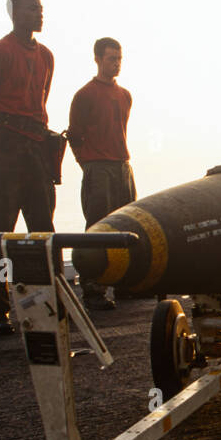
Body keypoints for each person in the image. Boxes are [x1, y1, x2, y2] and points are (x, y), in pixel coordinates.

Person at [0, 0, 56, 334]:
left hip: (37, 147)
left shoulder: (47, 56)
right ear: (14, 12)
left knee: (42, 230)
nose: (40, 13)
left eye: (41, 8)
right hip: (5, 146)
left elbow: (40, 101)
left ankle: (45, 302)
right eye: (32, 8)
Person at [68, 37, 134, 310]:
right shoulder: (85, 95)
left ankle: (126, 284)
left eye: (119, 58)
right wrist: (89, 165)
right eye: (111, 59)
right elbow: (74, 135)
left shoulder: (124, 95)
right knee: (96, 227)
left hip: (122, 164)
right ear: (98, 59)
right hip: (98, 167)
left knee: (128, 224)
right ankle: (93, 289)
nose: (116, 63)